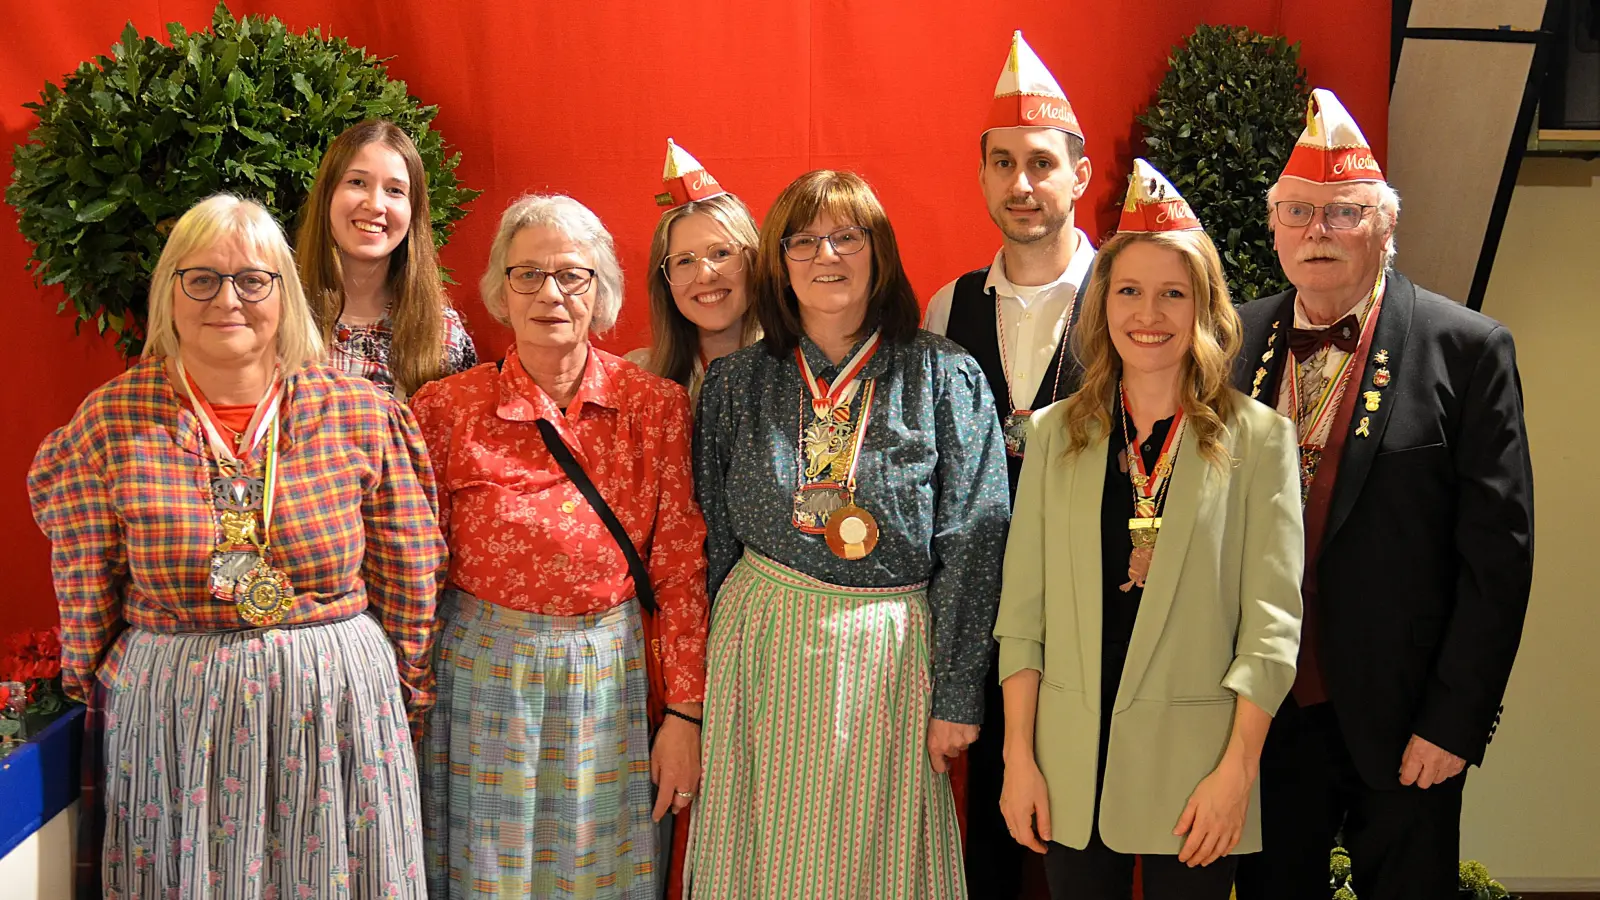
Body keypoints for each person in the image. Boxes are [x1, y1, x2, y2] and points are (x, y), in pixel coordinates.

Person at [29, 193, 445, 898]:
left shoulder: (360, 412)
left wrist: (403, 696)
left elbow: (409, 572)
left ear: (284, 293)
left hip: (336, 709)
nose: (228, 299)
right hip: (173, 720)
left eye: (253, 279)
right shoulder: (110, 420)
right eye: (203, 278)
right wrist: (106, 686)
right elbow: (84, 580)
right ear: (170, 291)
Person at [1229, 90, 1535, 900]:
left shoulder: (1467, 349)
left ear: (1385, 225)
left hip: (1406, 726)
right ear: (1273, 228)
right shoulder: (1229, 342)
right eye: (1297, 212)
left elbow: (1497, 561)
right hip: (1261, 716)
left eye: (1342, 212)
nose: (1316, 232)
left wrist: (1454, 723)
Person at [688, 169, 1011, 899]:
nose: (825, 255)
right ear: (777, 262)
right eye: (802, 242)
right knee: (758, 859)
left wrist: (958, 692)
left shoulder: (943, 376)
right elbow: (708, 539)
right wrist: (699, 683)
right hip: (759, 650)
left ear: (880, 253)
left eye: (845, 237)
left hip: (890, 658)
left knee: (872, 864)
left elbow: (976, 538)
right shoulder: (738, 384)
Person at [993, 160, 1304, 900]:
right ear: (1102, 306)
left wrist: (1236, 775)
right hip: (1068, 770)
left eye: (1174, 295)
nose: (1149, 315)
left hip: (1197, 776)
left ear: (1205, 309)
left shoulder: (1260, 438)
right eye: (1129, 291)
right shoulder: (1052, 435)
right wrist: (1019, 759)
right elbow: (1023, 618)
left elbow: (1272, 629)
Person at [412, 193, 710, 900]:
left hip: (612, 679)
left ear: (600, 290)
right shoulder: (444, 409)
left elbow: (679, 568)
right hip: (481, 680)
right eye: (528, 275)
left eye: (571, 275)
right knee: (486, 872)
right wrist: (408, 701)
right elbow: (414, 571)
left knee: (604, 874)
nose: (550, 293)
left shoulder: (654, 406)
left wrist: (686, 717)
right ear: (500, 291)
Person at [921, 32, 1097, 893]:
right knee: (989, 822)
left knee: (1093, 837)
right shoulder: (947, 304)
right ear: (983, 175)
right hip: (983, 608)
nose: (1021, 185)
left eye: (1039, 163)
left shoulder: (1131, 295)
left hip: (1097, 598)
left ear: (1081, 177)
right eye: (1002, 164)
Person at [296, 119, 477, 398]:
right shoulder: (279, 317)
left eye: (394, 190)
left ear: (413, 210)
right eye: (357, 182)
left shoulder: (443, 335)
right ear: (326, 196)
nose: (375, 205)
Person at [627, 139, 762, 403]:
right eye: (684, 261)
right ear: (665, 282)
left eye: (721, 253)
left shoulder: (801, 371)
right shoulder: (638, 377)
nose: (705, 275)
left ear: (755, 260)